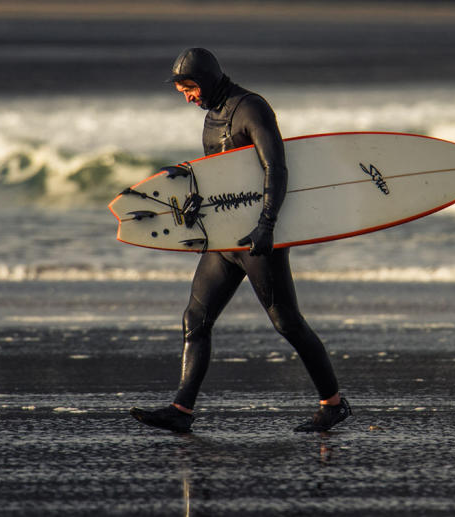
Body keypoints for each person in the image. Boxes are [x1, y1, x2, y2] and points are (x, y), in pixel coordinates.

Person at [130, 48, 351, 433]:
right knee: (195, 320)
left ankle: (333, 404)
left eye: (190, 87)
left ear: (209, 79)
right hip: (224, 241)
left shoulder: (251, 108)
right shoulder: (211, 118)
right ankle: (181, 410)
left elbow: (276, 168)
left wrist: (268, 224)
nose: (187, 96)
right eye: (182, 90)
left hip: (257, 238)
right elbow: (222, 183)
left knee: (287, 323)